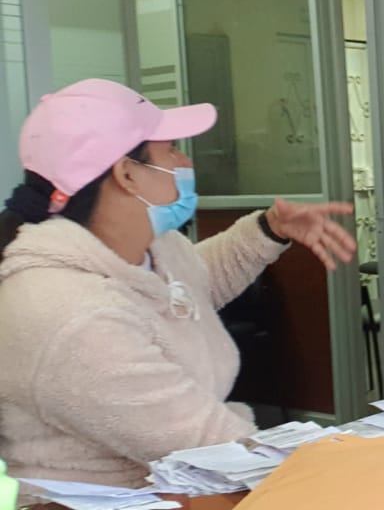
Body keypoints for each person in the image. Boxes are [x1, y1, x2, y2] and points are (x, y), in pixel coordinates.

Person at [0, 79, 357, 487]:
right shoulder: (69, 314)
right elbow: (208, 442)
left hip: (180, 485)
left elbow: (184, 291)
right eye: (170, 149)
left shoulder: (149, 249)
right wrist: (348, 470)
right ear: (127, 174)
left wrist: (268, 229)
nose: (184, 161)